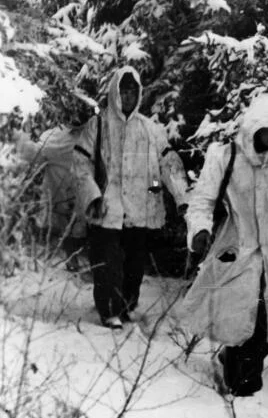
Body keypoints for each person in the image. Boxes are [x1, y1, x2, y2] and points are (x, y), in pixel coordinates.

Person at [185, 91, 268, 397]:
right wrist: (200, 230)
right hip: (239, 253)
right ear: (256, 125)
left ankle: (235, 367)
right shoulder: (225, 156)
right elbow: (201, 201)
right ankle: (243, 388)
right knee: (244, 323)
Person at [73, 66, 188, 329]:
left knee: (134, 267)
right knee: (107, 265)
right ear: (115, 92)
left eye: (132, 92)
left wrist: (180, 197)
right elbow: (80, 164)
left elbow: (168, 164)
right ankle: (109, 311)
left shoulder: (150, 130)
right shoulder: (98, 125)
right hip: (107, 209)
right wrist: (93, 196)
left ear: (139, 94)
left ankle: (126, 308)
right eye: (123, 92)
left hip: (139, 209)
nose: (127, 97)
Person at [15, 115, 91, 273]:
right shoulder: (55, 137)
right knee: (72, 227)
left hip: (82, 190)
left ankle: (80, 261)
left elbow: (32, 154)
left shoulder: (91, 132)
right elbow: (33, 154)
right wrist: (24, 136)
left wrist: (24, 135)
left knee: (76, 227)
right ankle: (74, 261)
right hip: (67, 192)